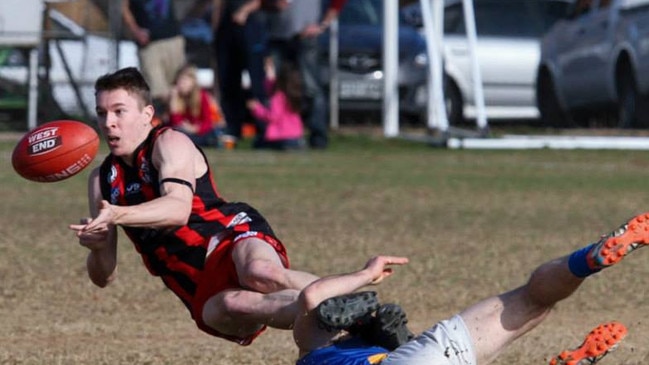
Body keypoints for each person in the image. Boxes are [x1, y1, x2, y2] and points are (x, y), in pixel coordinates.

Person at [68, 67, 320, 346]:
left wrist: (118, 213)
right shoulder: (102, 180)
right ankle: (343, 313)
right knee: (240, 305)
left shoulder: (169, 143)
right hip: (190, 277)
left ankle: (354, 309)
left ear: (147, 114)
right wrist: (96, 248)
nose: (108, 122)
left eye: (119, 111)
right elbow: (104, 276)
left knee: (261, 273)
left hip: (228, 236)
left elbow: (177, 210)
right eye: (101, 113)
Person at [289, 212, 649, 364]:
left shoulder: (313, 353)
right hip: (427, 355)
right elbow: (311, 298)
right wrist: (366, 274)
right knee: (528, 300)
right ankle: (587, 259)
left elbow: (312, 301)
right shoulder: (312, 348)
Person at [266, 0, 348, 149]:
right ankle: (281, 136)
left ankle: (317, 137)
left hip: (306, 37)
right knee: (278, 90)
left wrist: (322, 25)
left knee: (311, 88)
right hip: (278, 35)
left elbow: (338, 2)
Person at [212, 0, 269, 146]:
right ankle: (232, 129)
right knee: (228, 80)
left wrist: (245, 10)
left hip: (250, 25)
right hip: (226, 29)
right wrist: (216, 26)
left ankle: (264, 131)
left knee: (257, 83)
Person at [122, 0, 186, 124]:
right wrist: (135, 31)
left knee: (176, 87)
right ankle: (156, 124)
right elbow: (124, 9)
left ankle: (176, 124)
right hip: (149, 44)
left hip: (173, 38)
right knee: (156, 89)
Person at [246, 57, 305, 150]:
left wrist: (256, 108)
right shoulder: (294, 93)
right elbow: (270, 86)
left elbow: (273, 117)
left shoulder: (278, 96)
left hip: (281, 137)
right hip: (296, 138)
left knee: (258, 143)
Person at [169, 64, 226, 148]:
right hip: (185, 131)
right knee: (174, 132)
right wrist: (173, 99)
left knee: (210, 134)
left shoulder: (202, 96)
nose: (180, 84)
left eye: (184, 81)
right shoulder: (177, 97)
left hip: (203, 130)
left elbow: (208, 122)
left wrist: (194, 129)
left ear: (193, 82)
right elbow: (176, 122)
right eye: (179, 81)